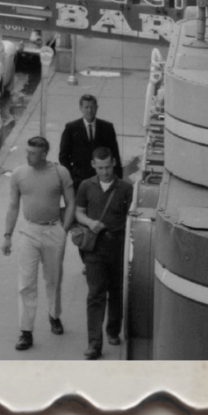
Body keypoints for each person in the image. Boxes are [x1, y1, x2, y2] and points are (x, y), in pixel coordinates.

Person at [2, 134, 75, 350]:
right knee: (26, 284)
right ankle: (26, 331)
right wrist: (7, 235)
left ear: (44, 154)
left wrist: (65, 229)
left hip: (54, 230)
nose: (28, 156)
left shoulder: (60, 173)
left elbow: (71, 203)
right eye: (27, 152)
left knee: (53, 279)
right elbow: (13, 206)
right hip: (28, 231)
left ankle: (54, 315)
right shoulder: (19, 175)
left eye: (33, 153)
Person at [73, 147, 134, 358]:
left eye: (108, 167)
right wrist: (90, 222)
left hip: (118, 247)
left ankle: (113, 330)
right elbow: (78, 213)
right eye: (100, 168)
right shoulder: (85, 186)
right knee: (95, 295)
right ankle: (94, 344)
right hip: (95, 248)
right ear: (93, 166)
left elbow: (131, 219)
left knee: (116, 292)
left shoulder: (126, 188)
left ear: (114, 163)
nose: (105, 172)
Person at [59, 94, 123, 190]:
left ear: (97, 108)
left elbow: (115, 154)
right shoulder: (71, 128)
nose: (89, 110)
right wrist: (72, 176)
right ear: (80, 108)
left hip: (102, 178)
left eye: (92, 107)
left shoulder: (107, 127)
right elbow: (63, 156)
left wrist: (118, 178)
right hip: (79, 180)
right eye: (86, 107)